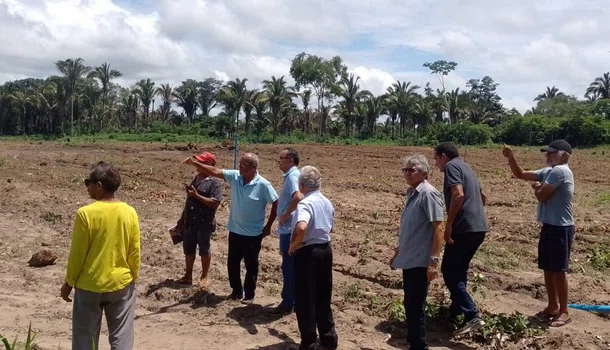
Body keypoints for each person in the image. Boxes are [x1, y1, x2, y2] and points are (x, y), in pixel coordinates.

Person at [60, 161, 141, 350]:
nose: (86, 186)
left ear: (99, 186)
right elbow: (134, 250)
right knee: (121, 336)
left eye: (88, 182)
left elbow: (78, 254)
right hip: (120, 284)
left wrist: (69, 283)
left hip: (89, 285)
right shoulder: (129, 212)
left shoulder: (85, 214)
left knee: (84, 339)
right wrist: (133, 277)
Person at [184, 152, 278, 304]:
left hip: (253, 234)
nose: (239, 167)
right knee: (232, 263)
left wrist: (268, 225)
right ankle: (236, 291)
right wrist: (195, 163)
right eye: (239, 164)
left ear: (253, 167)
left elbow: (276, 202)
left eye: (243, 165)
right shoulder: (235, 177)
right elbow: (215, 171)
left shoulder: (263, 185)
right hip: (235, 230)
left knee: (251, 264)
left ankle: (249, 295)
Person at [502, 139, 574, 327]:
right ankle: (552, 306)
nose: (547, 155)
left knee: (558, 270)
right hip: (550, 226)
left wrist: (536, 188)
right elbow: (520, 174)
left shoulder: (560, 171)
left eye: (551, 152)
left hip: (560, 227)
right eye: (547, 152)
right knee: (548, 268)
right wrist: (511, 158)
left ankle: (564, 311)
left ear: (563, 155)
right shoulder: (549, 172)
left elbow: (541, 196)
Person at [390, 154, 444, 350]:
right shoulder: (412, 193)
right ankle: (413, 341)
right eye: (405, 170)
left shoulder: (428, 194)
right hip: (410, 257)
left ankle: (419, 345)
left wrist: (434, 261)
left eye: (411, 170)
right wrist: (398, 252)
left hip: (421, 260)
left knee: (416, 305)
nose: (407, 174)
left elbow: (439, 227)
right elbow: (410, 229)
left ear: (424, 173)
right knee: (410, 303)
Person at [433, 142, 488, 335]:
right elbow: (483, 198)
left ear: (443, 157)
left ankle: (472, 314)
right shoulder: (467, 167)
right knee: (459, 269)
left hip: (463, 228)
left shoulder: (451, 167)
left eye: (436, 159)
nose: (436, 164)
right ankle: (456, 309)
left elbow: (457, 194)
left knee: (448, 270)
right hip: (479, 228)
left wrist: (449, 225)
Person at [289, 165, 338, 350]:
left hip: (308, 253)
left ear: (301, 184)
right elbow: (330, 227)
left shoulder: (305, 203)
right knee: (323, 297)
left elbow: (301, 227)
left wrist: (293, 245)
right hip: (325, 250)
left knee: (305, 299)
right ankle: (328, 339)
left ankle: (308, 343)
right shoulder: (326, 202)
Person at [173, 151, 223, 287]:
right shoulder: (196, 178)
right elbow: (189, 199)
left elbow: (215, 202)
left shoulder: (215, 183)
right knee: (188, 249)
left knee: (204, 250)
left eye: (201, 162)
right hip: (190, 221)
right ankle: (188, 276)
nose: (198, 165)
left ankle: (204, 276)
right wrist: (182, 218)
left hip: (204, 222)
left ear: (210, 165)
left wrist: (197, 196)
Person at [269, 147, 303, 315]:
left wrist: (284, 215)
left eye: (281, 158)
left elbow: (297, 197)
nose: (279, 161)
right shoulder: (292, 175)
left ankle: (288, 302)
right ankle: (294, 300)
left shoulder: (292, 176)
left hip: (289, 229)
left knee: (288, 266)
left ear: (290, 160)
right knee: (291, 265)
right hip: (290, 228)